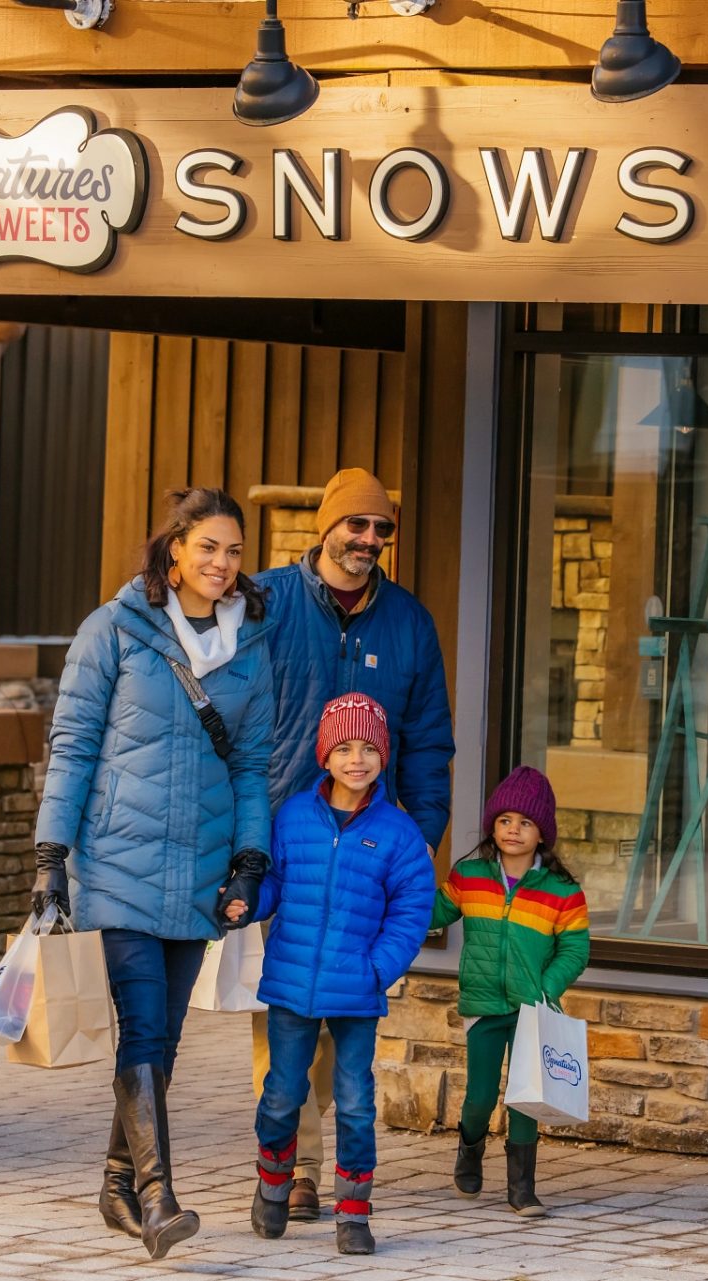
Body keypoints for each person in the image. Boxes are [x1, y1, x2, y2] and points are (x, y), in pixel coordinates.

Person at [30, 488, 275, 1261]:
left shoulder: (250, 644)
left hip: (201, 870)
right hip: (119, 860)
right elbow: (71, 747)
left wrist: (247, 862)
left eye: (234, 551)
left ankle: (115, 1182)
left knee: (163, 1038)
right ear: (173, 548)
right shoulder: (114, 631)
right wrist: (50, 858)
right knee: (142, 1024)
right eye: (207, 547)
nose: (221, 564)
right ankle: (160, 1196)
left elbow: (252, 766)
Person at [251, 466, 456, 1218]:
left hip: (372, 848)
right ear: (326, 526)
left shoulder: (409, 622)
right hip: (286, 838)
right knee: (285, 1007)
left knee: (344, 1002)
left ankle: (329, 1160)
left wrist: (418, 839)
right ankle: (297, 1166)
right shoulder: (266, 603)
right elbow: (233, 716)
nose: (367, 540)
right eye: (356, 525)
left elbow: (429, 742)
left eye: (380, 529)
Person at [247, 693, 436, 1256]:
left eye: (370, 748)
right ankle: (273, 1181)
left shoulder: (399, 833)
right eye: (345, 747)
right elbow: (275, 883)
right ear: (325, 755)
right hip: (291, 979)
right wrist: (248, 902)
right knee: (281, 1093)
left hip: (356, 989)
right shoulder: (293, 817)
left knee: (356, 1101)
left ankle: (353, 1210)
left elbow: (411, 910)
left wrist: (376, 968)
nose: (358, 759)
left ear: (383, 757)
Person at [429, 766, 589, 1217]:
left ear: (542, 834)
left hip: (532, 1010)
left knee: (525, 1097)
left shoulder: (562, 891)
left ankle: (522, 1188)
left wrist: (547, 987)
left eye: (525, 822)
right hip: (482, 1005)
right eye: (504, 821)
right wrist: (404, 892)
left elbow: (575, 948)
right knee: (479, 1096)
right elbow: (434, 913)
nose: (513, 830)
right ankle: (470, 1147)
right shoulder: (470, 876)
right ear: (492, 827)